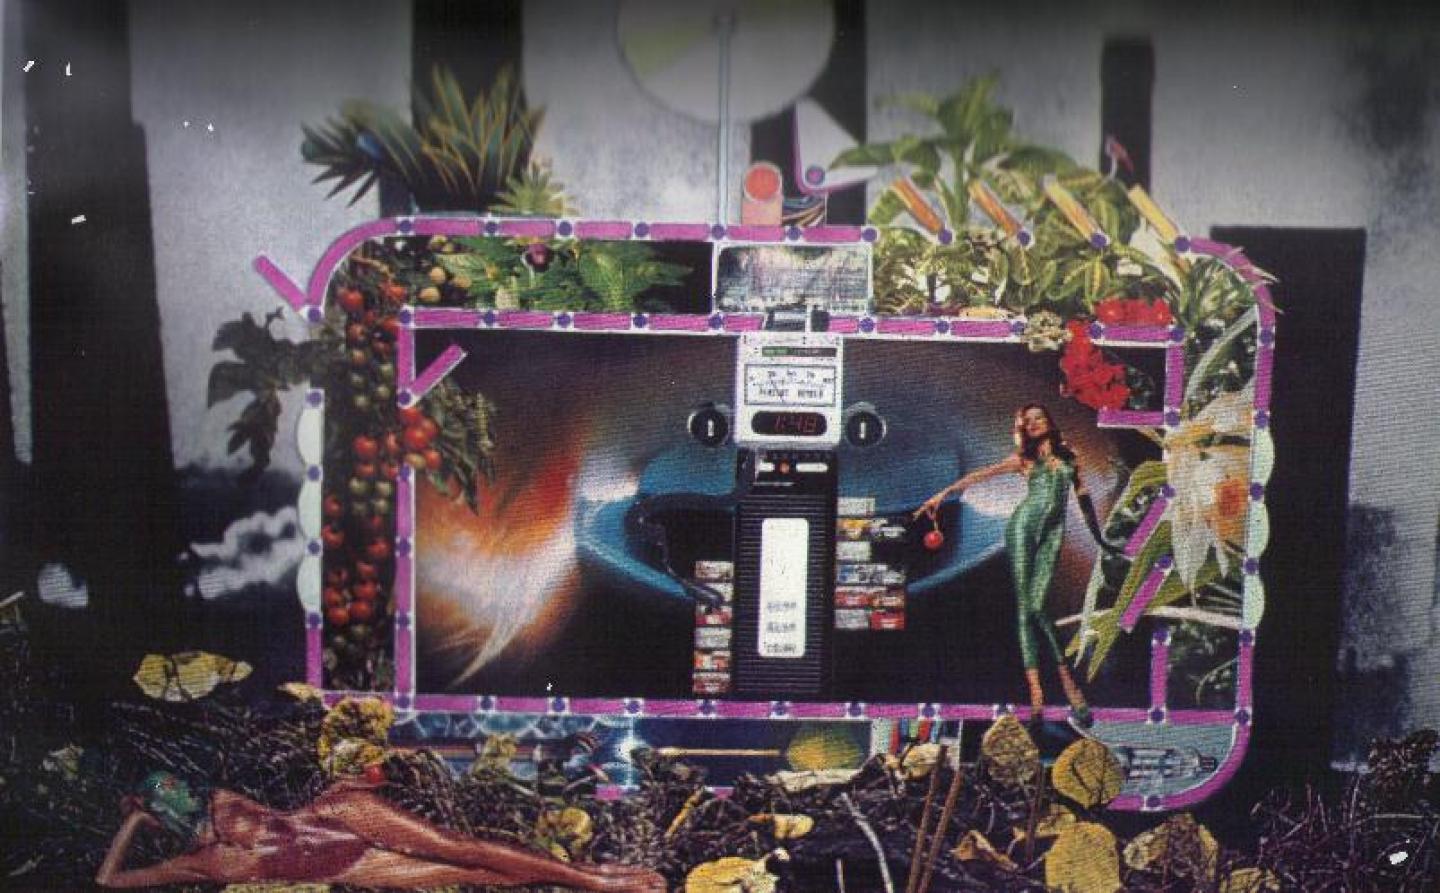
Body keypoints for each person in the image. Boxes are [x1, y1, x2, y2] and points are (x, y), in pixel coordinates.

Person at [96, 771, 665, 891]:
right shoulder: (195, 865)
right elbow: (107, 883)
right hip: (350, 865)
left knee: (460, 848)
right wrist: (134, 822)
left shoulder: (221, 799)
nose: (177, 793)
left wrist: (339, 784)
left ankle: (597, 883)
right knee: (475, 876)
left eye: (172, 786)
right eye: (162, 797)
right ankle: (584, 875)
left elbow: (281, 795)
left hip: (336, 816)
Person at [916, 404, 1115, 728]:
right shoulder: (1024, 460)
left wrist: (1099, 538)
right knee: (1026, 609)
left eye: (1039, 418)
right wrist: (943, 493)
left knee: (1037, 607)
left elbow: (1082, 498)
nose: (1033, 423)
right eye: (1027, 421)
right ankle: (1041, 691)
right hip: (1023, 528)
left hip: (1052, 534)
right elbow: (981, 475)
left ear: (1048, 422)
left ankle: (1066, 683)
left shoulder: (1069, 456)